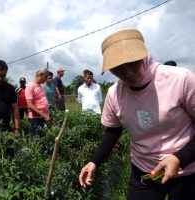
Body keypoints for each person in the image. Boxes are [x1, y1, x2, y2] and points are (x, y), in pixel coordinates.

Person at [79, 29, 195, 200]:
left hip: (187, 171)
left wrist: (180, 158)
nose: (128, 73)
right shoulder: (115, 94)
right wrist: (94, 161)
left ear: (143, 55)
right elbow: (113, 131)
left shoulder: (180, 79)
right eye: (118, 68)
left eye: (132, 62)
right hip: (144, 171)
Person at [25, 67, 51, 137]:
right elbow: (30, 105)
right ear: (41, 74)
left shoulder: (40, 86)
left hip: (42, 117)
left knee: (43, 138)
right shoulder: (30, 86)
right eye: (45, 77)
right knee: (36, 139)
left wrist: (47, 114)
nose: (46, 80)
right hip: (35, 119)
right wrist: (44, 116)